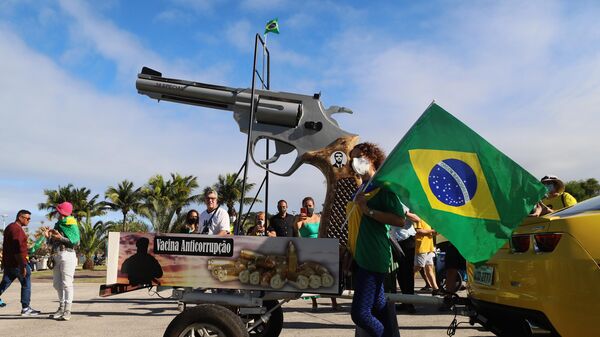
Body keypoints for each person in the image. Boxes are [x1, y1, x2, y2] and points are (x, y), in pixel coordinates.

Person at [346, 142, 405, 337]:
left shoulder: (383, 187)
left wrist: (368, 210)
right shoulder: (362, 187)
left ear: (372, 158)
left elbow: (399, 219)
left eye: (359, 156)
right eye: (352, 158)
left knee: (361, 314)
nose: (355, 162)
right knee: (379, 306)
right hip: (360, 255)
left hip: (372, 255)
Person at [295, 197, 338, 311]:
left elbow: (325, 230)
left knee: (326, 273)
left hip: (321, 247)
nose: (308, 208)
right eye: (306, 206)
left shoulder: (319, 217)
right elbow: (296, 229)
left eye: (310, 205)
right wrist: (298, 220)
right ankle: (314, 302)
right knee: (312, 275)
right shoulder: (301, 219)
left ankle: (333, 300)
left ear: (313, 205)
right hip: (307, 249)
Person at [41, 201, 80, 321]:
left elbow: (76, 241)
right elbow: (52, 243)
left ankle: (67, 310)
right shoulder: (58, 224)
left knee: (67, 283)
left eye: (59, 211)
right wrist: (48, 237)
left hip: (68, 254)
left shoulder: (71, 224)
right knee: (57, 284)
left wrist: (61, 237)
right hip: (57, 255)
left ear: (63, 212)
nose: (57, 213)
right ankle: (61, 307)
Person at [0, 210, 41, 315]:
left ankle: (26, 308)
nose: (29, 221)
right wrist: (22, 266)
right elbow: (18, 250)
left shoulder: (10, 227)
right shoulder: (17, 230)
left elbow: (7, 247)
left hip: (10, 263)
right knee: (26, 284)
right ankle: (26, 308)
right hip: (18, 264)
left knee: (4, 283)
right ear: (20, 217)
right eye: (27, 218)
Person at [390, 208, 420, 314]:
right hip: (394, 240)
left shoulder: (407, 202)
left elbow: (417, 219)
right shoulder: (391, 201)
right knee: (400, 273)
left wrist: (405, 213)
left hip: (407, 239)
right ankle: (404, 300)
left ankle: (410, 303)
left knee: (407, 273)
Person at [414, 218, 442, 296]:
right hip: (421, 247)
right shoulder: (418, 218)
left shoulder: (428, 220)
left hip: (429, 247)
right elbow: (419, 231)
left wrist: (436, 232)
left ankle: (436, 289)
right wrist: (433, 231)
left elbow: (429, 233)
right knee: (418, 267)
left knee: (429, 268)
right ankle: (407, 285)